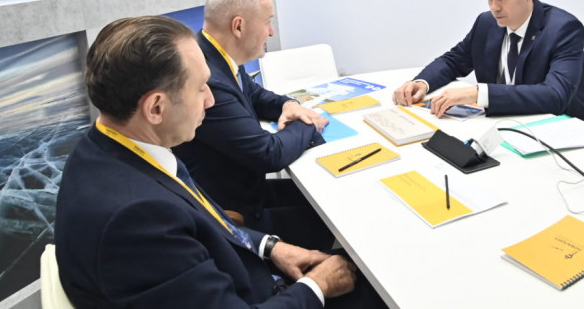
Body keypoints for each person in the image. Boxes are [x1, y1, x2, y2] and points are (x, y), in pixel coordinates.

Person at [55, 16, 370, 307]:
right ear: (156, 108)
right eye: (200, 88)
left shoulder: (106, 146)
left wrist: (272, 247)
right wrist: (317, 286)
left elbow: (202, 218)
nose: (210, 99)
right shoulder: (138, 222)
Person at [173, 0, 334, 252]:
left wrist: (289, 105)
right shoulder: (209, 78)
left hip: (244, 188)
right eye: (268, 21)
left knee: (325, 197)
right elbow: (268, 154)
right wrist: (308, 123)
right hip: (233, 215)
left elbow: (255, 95)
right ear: (238, 26)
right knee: (330, 220)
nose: (271, 32)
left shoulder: (215, 54)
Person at [393, 0, 584, 122]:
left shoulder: (563, 29)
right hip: (503, 126)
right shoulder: (486, 23)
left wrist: (478, 93)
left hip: (561, 129)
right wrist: (422, 82)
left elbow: (555, 96)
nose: (494, 7)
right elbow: (453, 61)